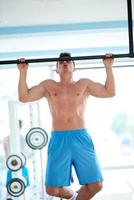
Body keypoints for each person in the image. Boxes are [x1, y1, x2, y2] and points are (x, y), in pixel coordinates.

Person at [17, 52, 115, 200]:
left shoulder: (84, 84)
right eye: (61, 62)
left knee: (96, 185)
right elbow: (24, 97)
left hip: (80, 137)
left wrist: (108, 67)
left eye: (68, 61)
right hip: (59, 139)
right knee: (52, 190)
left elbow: (110, 92)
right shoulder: (48, 85)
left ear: (74, 67)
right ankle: (74, 196)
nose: (65, 63)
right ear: (56, 68)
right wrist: (23, 72)